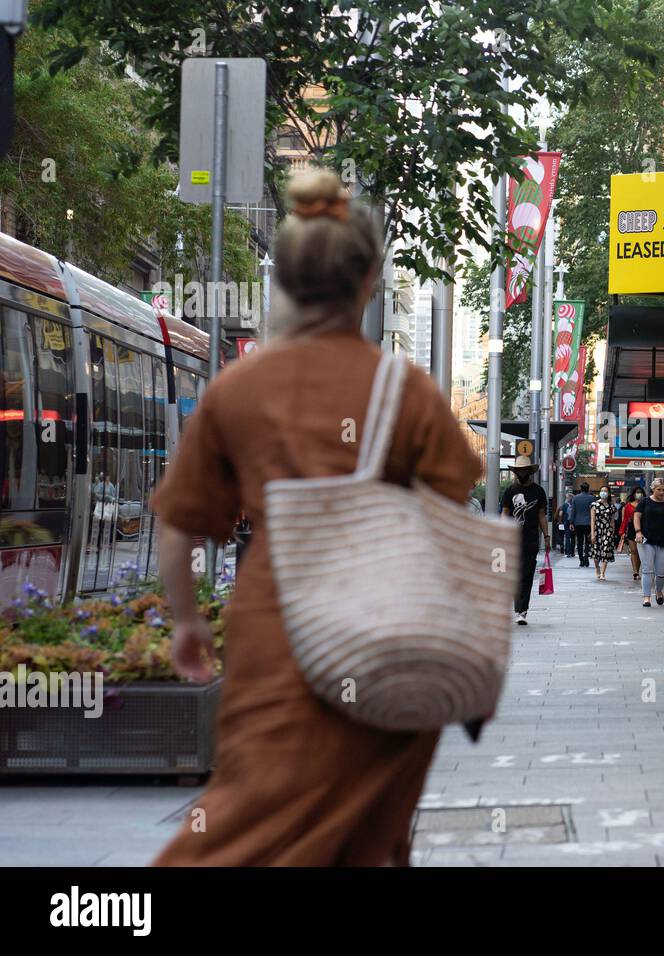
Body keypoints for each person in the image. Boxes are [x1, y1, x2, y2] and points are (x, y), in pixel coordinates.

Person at [148, 167, 480, 865]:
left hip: (279, 633)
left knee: (253, 811)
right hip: (388, 639)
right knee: (367, 827)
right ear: (368, 283)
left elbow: (178, 526)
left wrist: (185, 623)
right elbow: (455, 513)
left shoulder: (237, 389)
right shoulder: (405, 389)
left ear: (286, 283)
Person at [500, 454, 550, 625]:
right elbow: (505, 514)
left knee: (527, 575)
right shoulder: (510, 491)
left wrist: (547, 535)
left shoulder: (538, 491)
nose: (521, 472)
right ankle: (518, 609)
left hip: (531, 540)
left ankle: (522, 611)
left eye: (523, 470)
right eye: (518, 470)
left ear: (529, 471)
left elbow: (541, 515)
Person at [634, 477, 664, 607]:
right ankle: (646, 597)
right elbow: (637, 516)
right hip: (646, 539)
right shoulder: (645, 502)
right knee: (647, 569)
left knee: (661, 572)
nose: (661, 492)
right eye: (659, 489)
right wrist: (638, 531)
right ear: (653, 489)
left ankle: (658, 591)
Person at [589, 484, 620, 581]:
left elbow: (612, 521)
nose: (603, 492)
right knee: (596, 551)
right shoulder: (594, 505)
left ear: (609, 493)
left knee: (605, 551)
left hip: (607, 530)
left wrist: (612, 533)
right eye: (602, 490)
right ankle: (597, 568)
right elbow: (592, 520)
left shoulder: (612, 507)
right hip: (597, 530)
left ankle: (603, 573)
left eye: (605, 491)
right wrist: (592, 534)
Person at [619, 487, 645, 581]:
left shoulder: (645, 504)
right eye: (637, 492)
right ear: (633, 494)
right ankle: (635, 572)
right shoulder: (628, 506)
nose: (639, 494)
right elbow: (625, 519)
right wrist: (622, 531)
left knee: (640, 552)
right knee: (633, 550)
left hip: (643, 529)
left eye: (641, 492)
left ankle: (637, 570)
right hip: (631, 529)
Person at [570, 482, 594, 566]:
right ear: (588, 489)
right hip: (588, 523)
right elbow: (593, 511)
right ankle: (586, 557)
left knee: (579, 542)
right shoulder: (592, 498)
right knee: (588, 542)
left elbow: (573, 511)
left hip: (578, 523)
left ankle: (581, 560)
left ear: (580, 489)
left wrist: (571, 522)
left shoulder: (575, 498)